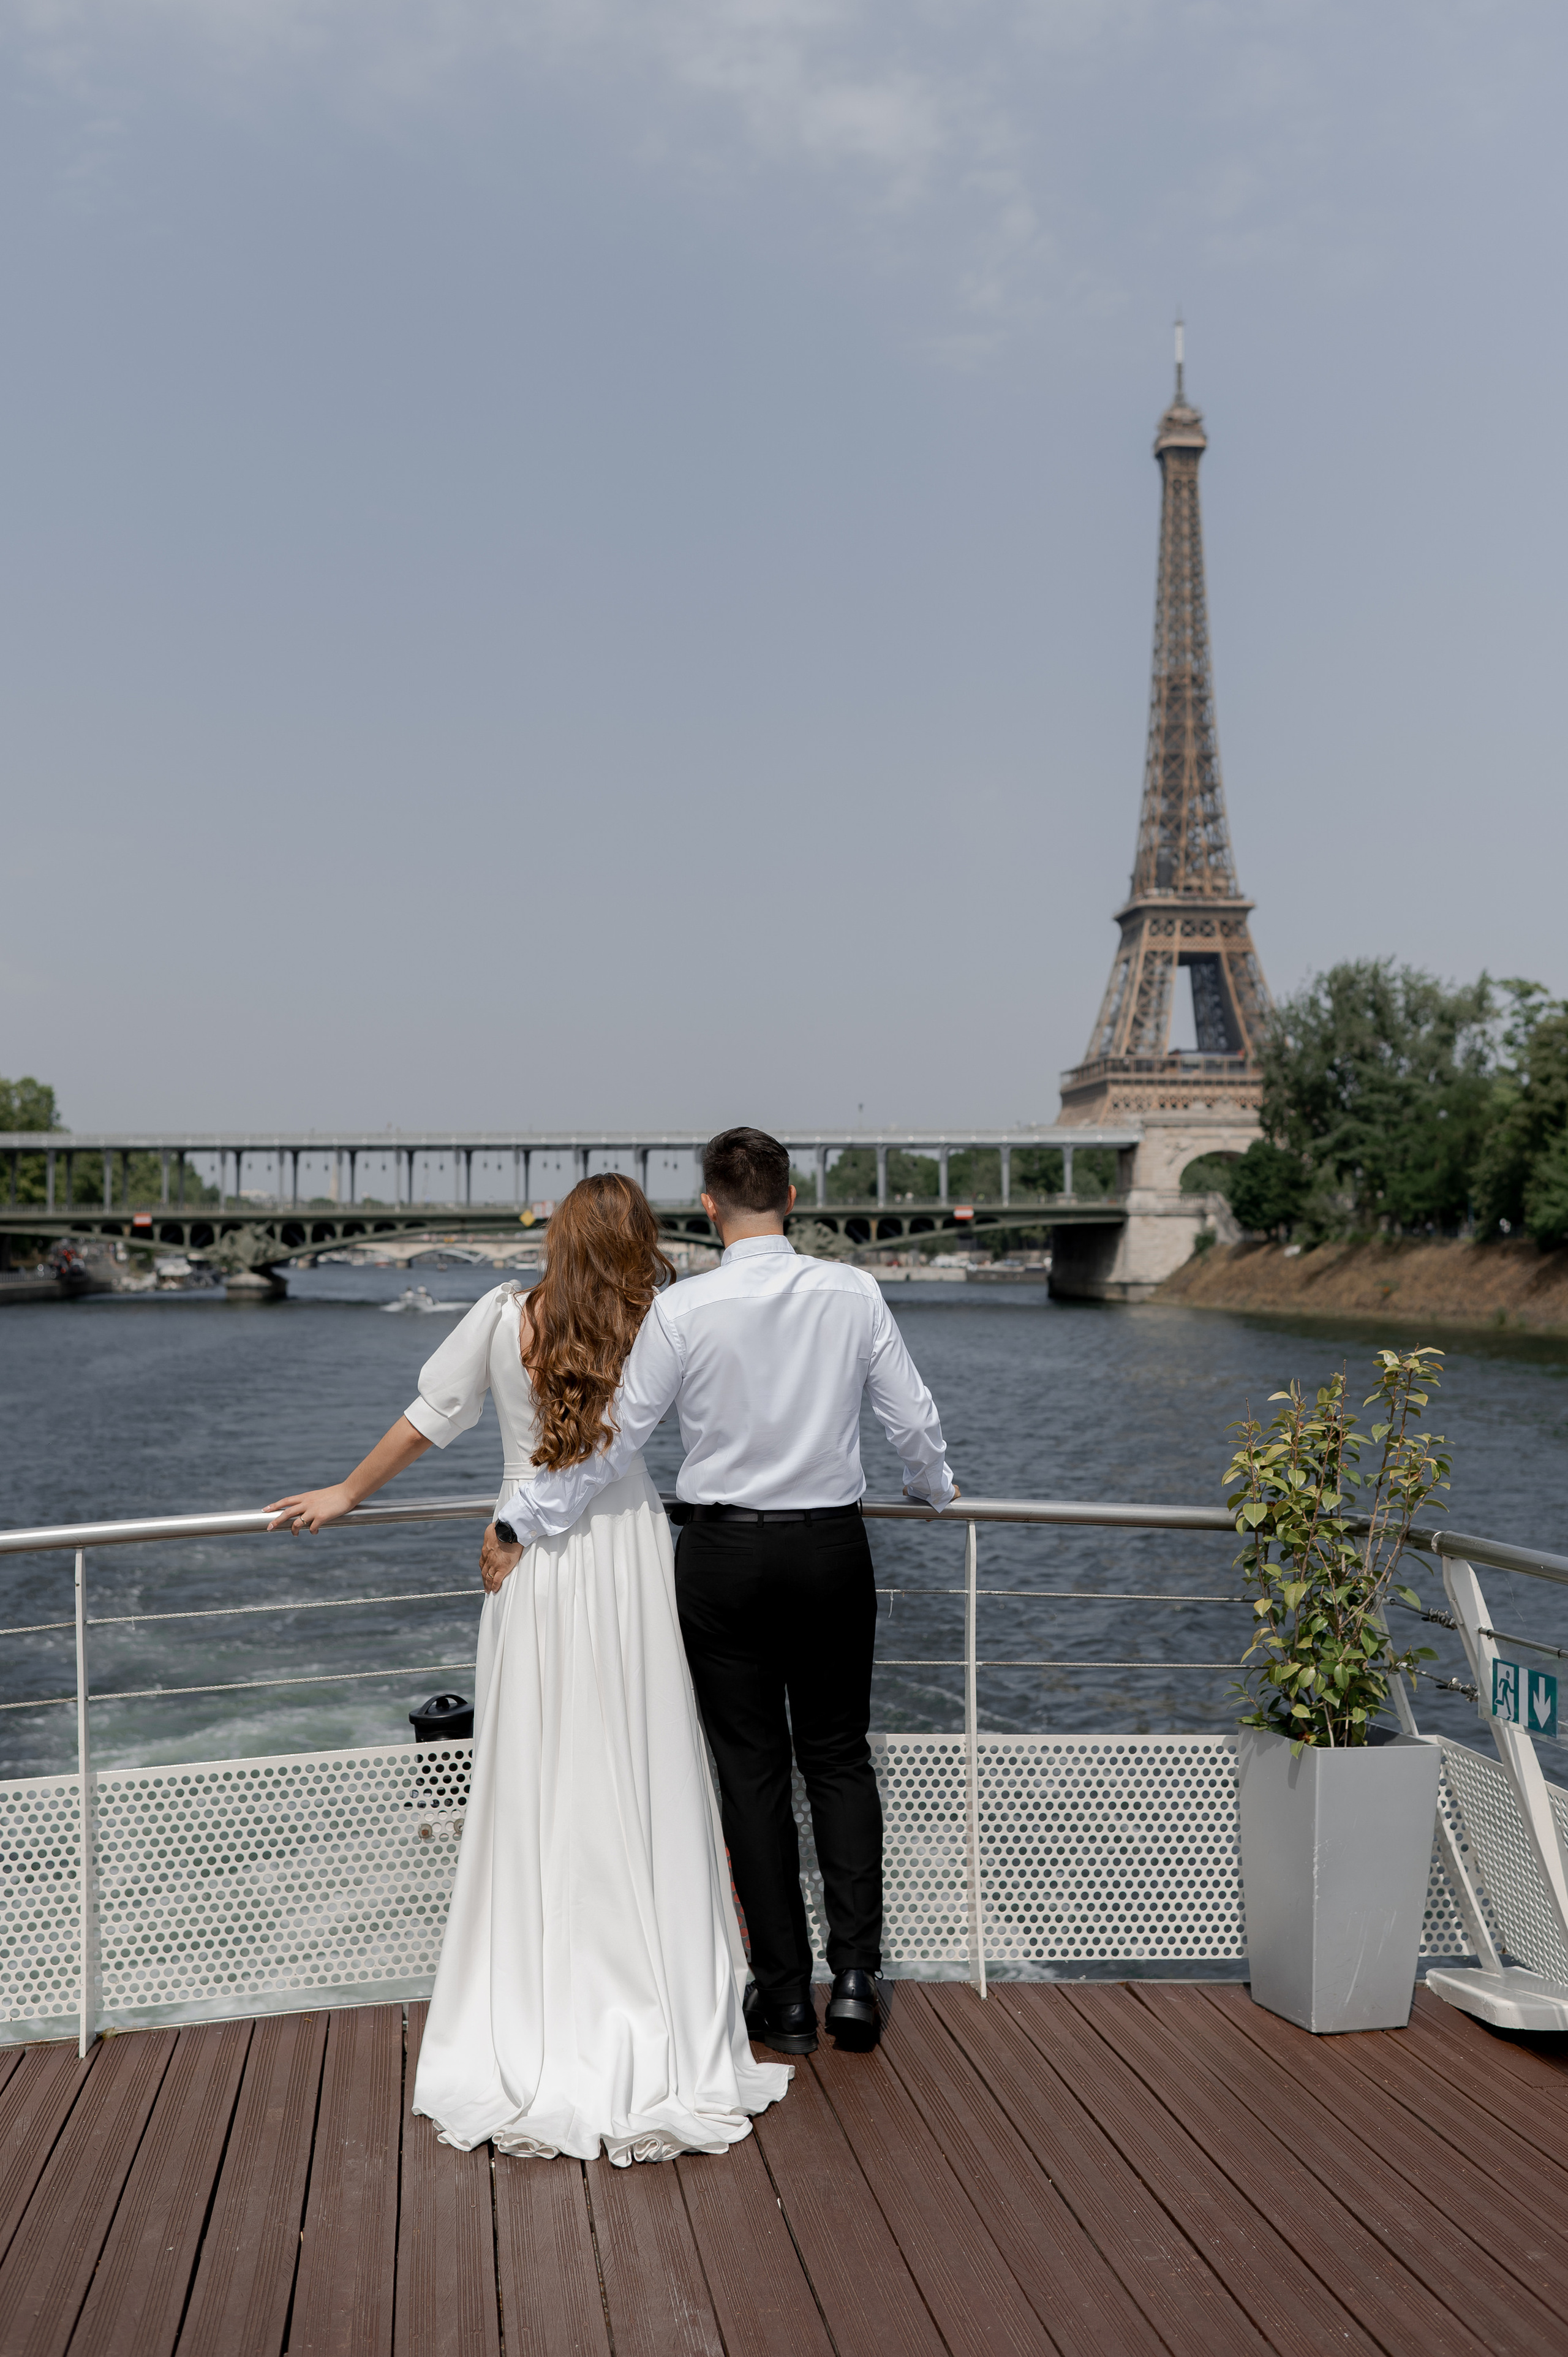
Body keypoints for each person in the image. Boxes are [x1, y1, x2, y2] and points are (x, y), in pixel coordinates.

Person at [264, 1174, 790, 2165]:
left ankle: (537, 1995)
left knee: (537, 1765)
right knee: (638, 1756)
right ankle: (656, 1992)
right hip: (629, 1550)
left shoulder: (505, 1315)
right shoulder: (664, 1320)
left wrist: (345, 1490)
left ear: (556, 1236)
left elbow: (431, 1416)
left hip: (532, 1559)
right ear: (639, 1242)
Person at [483, 1126, 957, 2057]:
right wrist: (933, 1491)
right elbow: (914, 1421)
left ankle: (782, 1997)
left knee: (751, 1773)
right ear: (791, 1197)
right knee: (839, 1758)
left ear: (709, 1206)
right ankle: (856, 1980)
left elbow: (613, 1442)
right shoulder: (854, 1293)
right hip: (829, 1549)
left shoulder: (683, 1310)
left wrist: (520, 1522)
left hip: (722, 1556)